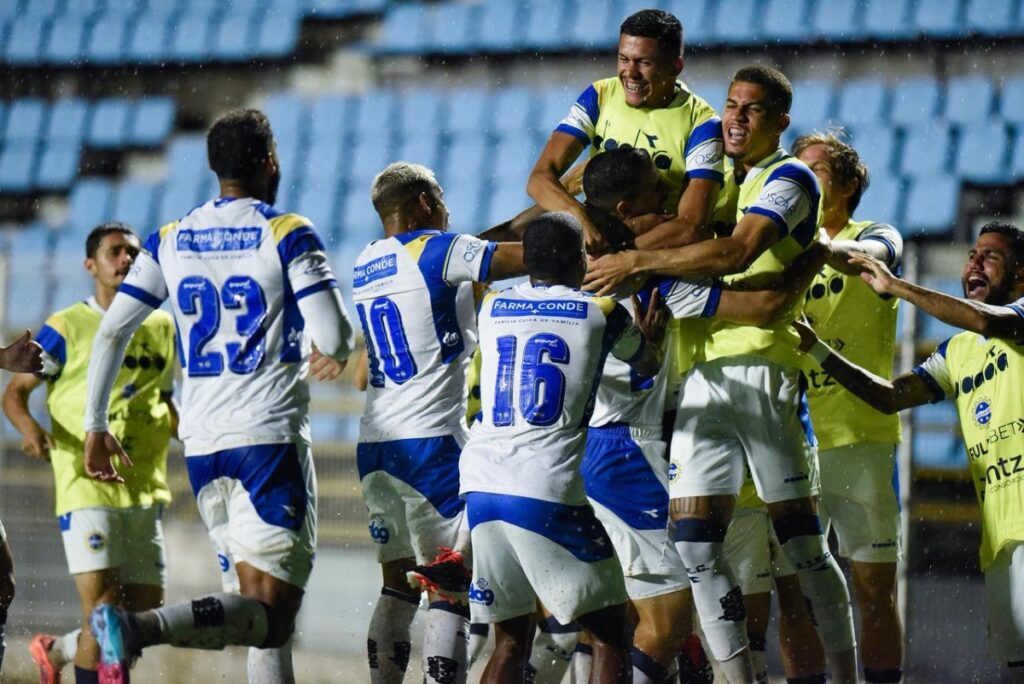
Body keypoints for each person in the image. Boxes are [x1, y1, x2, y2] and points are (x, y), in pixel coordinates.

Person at [584, 65, 859, 684]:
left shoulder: (787, 179)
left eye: (752, 110)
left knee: (803, 550)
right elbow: (661, 225)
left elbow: (735, 252)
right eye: (731, 105)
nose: (734, 118)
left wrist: (639, 260)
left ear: (780, 121)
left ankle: (847, 676)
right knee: (697, 548)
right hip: (703, 379)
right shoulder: (725, 183)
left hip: (762, 372)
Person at [78, 108, 355, 684]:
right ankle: (137, 629)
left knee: (254, 619)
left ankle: (128, 632)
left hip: (203, 447)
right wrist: (331, 339)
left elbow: (111, 331)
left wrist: (94, 422)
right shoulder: (286, 231)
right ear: (269, 162)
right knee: (273, 620)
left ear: (212, 166)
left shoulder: (171, 237)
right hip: (267, 441)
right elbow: (335, 338)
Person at [549, 146, 825, 684]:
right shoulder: (658, 283)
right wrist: (814, 255)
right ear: (629, 212)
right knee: (675, 615)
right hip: (630, 449)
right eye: (662, 199)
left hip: (581, 451)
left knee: (614, 611)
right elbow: (765, 307)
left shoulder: (575, 273)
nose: (678, 208)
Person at [793, 221, 1024, 682]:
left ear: (1020, 277)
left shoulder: (1015, 317)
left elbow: (984, 318)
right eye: (972, 254)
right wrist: (816, 350)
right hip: (1001, 537)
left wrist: (893, 285)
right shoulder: (957, 350)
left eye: (991, 256)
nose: (975, 262)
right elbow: (889, 396)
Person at [460, 211, 667, 683]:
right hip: (545, 486)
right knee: (613, 631)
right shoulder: (602, 312)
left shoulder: (491, 304)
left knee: (511, 640)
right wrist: (654, 337)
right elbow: (646, 364)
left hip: (482, 486)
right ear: (580, 258)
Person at [353, 161, 525, 684]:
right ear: (426, 203)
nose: (449, 211)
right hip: (431, 444)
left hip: (375, 446)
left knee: (397, 586)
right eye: (443, 200)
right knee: (451, 582)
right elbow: (533, 255)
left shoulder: (366, 262)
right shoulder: (441, 249)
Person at [2, 222, 177, 684]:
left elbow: (165, 398)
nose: (126, 260)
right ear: (90, 265)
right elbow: (15, 393)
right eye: (115, 252)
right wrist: (30, 428)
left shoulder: (160, 324)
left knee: (139, 609)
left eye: (134, 254)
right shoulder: (67, 326)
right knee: (101, 611)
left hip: (143, 481)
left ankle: (56, 650)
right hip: (85, 482)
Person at [793, 130, 906, 683]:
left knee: (873, 591)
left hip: (860, 436)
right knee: (800, 590)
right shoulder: (781, 239)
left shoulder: (876, 232)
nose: (797, 176)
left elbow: (874, 259)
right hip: (791, 438)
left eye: (813, 168)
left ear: (846, 184)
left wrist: (813, 249)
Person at [527, 8, 724, 253]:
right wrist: (578, 216)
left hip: (658, 256)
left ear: (676, 66)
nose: (630, 73)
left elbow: (691, 226)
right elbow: (539, 179)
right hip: (598, 243)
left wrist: (621, 256)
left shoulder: (703, 124)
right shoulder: (600, 95)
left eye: (644, 62)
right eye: (624, 59)